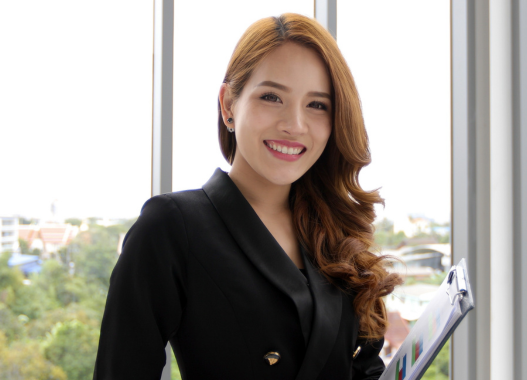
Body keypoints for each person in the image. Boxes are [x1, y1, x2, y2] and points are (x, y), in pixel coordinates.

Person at [93, 13, 402, 380]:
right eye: (272, 97)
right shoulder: (171, 228)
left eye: (317, 104)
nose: (295, 125)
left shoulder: (334, 232)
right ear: (228, 105)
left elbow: (363, 368)